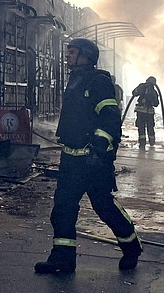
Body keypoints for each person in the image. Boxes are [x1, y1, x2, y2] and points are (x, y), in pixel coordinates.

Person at [35, 38, 141, 274]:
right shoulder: (75, 80)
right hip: (71, 159)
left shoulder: (99, 81)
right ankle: (62, 259)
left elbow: (110, 118)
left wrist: (99, 150)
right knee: (63, 208)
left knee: (104, 206)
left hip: (92, 161)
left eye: (72, 52)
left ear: (86, 55)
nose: (67, 56)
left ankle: (131, 246)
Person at [129, 76, 163, 148]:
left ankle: (142, 143)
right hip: (149, 113)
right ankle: (152, 142)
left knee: (141, 128)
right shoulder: (154, 91)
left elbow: (134, 93)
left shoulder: (142, 87)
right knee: (150, 127)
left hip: (140, 112)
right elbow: (156, 104)